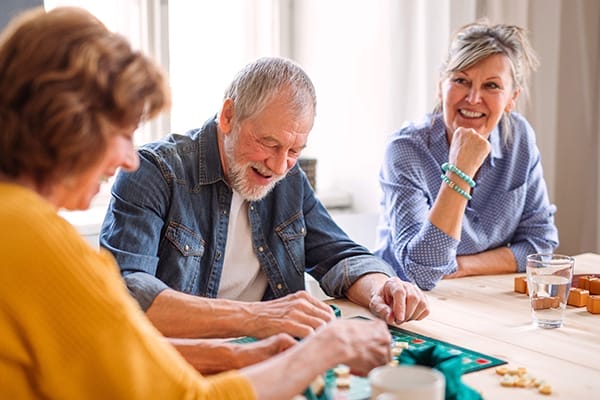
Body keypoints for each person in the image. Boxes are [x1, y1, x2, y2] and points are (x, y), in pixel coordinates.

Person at [0, 7, 396, 399]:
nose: (128, 158)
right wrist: (323, 350)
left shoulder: (16, 218)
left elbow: (120, 351)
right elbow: (184, 393)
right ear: (67, 123)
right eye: (122, 133)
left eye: (293, 149)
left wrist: (242, 356)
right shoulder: (37, 237)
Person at [99, 56, 430, 371]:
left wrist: (380, 288)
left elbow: (339, 255)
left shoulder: (289, 179)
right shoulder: (152, 172)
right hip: (183, 366)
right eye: (269, 144)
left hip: (268, 358)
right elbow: (129, 294)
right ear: (228, 115)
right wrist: (258, 317)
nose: (279, 165)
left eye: (294, 151)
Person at [374, 20, 559, 290]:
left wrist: (463, 265)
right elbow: (421, 273)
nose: (473, 98)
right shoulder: (406, 149)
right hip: (402, 301)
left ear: (511, 98)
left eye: (492, 86)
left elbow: (540, 245)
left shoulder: (519, 138)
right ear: (441, 87)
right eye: (461, 80)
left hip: (477, 292)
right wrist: (460, 171)